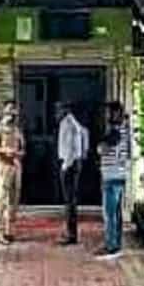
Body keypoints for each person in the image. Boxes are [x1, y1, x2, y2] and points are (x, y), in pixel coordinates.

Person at [96, 102, 130, 259]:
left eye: (109, 112)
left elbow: (102, 148)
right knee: (116, 213)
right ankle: (116, 243)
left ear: (115, 114)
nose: (106, 116)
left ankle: (111, 245)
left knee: (110, 213)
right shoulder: (124, 130)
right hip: (119, 175)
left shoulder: (115, 132)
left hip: (111, 176)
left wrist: (100, 147)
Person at [0, 101, 24, 245]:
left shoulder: (17, 130)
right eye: (10, 110)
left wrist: (18, 153)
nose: (12, 113)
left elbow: (22, 148)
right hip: (4, 165)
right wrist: (5, 151)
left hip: (16, 165)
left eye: (14, 110)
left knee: (14, 199)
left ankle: (10, 231)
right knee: (2, 199)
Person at [56, 102, 87, 245]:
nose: (56, 113)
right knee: (71, 200)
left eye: (58, 110)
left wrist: (65, 165)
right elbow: (85, 135)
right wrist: (83, 154)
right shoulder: (76, 123)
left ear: (64, 110)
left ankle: (71, 234)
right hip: (76, 162)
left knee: (69, 201)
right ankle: (71, 232)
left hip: (70, 163)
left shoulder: (67, 123)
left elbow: (70, 145)